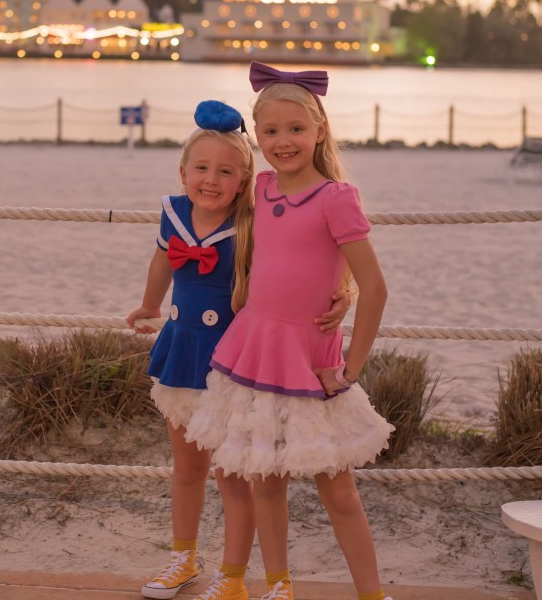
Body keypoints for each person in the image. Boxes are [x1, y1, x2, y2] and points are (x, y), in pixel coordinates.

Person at [185, 62, 395, 600]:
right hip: (254, 350)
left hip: (312, 362)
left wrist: (351, 366)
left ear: (319, 130)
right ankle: (278, 585)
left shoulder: (336, 197)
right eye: (271, 131)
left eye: (296, 129)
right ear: (257, 136)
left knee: (339, 490)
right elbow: (210, 203)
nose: (283, 141)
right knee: (265, 480)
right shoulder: (261, 187)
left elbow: (375, 287)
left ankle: (372, 594)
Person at [128, 99, 351, 600]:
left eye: (226, 171)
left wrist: (345, 291)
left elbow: (305, 257)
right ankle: (183, 558)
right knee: (187, 468)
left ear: (245, 180)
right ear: (183, 172)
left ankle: (231, 577)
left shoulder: (253, 220)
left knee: (233, 476)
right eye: (201, 168)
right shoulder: (172, 212)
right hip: (180, 349)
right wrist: (149, 304)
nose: (211, 180)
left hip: (232, 364)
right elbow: (162, 261)